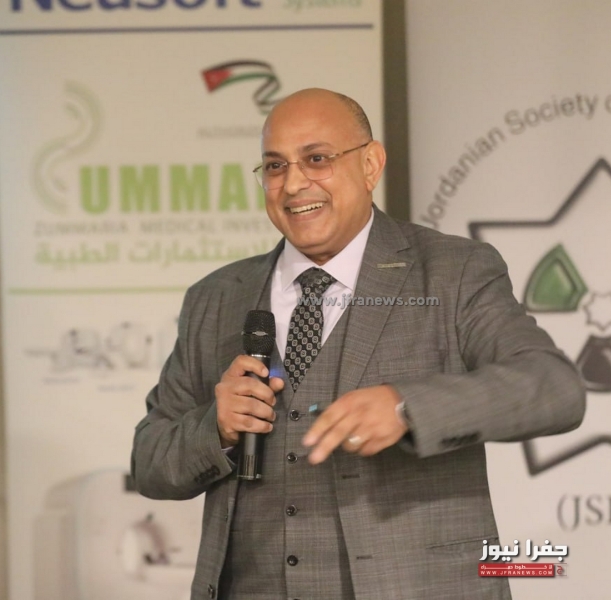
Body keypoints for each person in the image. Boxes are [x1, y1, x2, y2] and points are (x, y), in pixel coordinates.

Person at [131, 88, 585, 600]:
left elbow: (554, 389)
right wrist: (214, 428)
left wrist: (408, 408)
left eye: (317, 159)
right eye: (275, 166)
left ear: (370, 165)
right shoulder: (216, 297)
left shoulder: (453, 272)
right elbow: (149, 460)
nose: (293, 183)